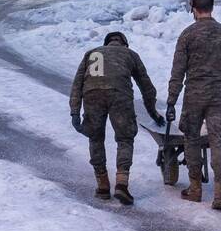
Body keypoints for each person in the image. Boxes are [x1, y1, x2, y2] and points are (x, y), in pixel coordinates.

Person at [165, 0, 221, 210]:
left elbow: (178, 71)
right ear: (212, 7)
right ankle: (219, 194)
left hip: (195, 96)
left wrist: (171, 101)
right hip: (220, 98)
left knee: (191, 139)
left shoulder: (187, 35)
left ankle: (195, 188)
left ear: (193, 9)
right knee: (218, 141)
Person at [69, 32, 164, 205]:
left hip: (91, 95)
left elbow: (77, 84)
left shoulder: (91, 53)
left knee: (95, 137)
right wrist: (154, 113)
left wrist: (74, 111)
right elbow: (147, 87)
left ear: (106, 44)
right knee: (125, 138)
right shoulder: (130, 54)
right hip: (119, 95)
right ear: (124, 44)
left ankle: (103, 185)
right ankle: (121, 184)